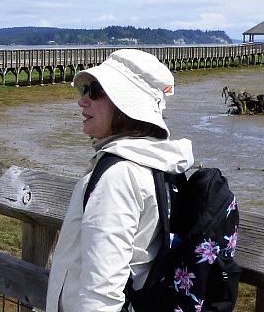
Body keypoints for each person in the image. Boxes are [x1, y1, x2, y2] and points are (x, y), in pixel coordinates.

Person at [45, 49, 195, 312]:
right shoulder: (157, 161)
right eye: (85, 91)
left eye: (95, 91)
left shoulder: (118, 176)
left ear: (126, 105)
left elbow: (101, 295)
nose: (82, 101)